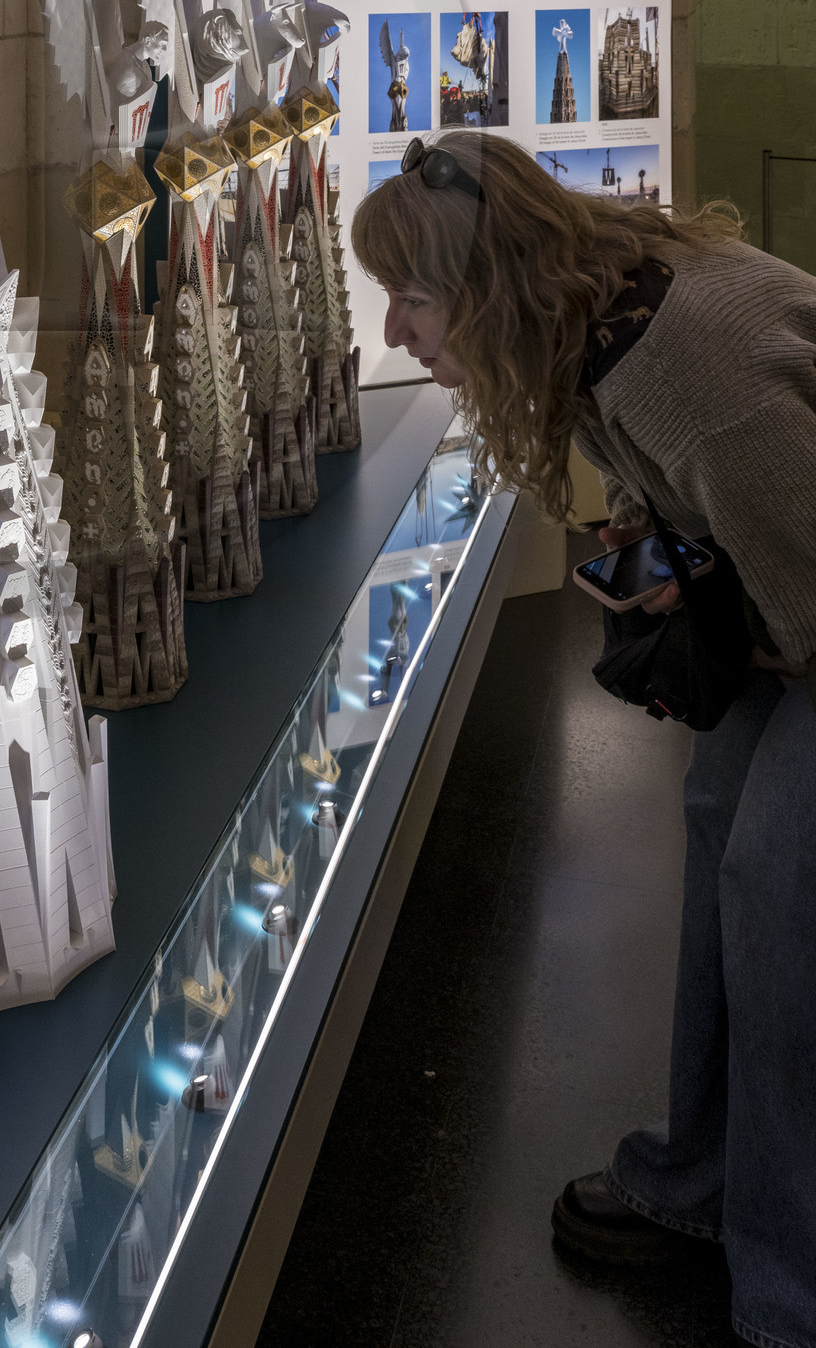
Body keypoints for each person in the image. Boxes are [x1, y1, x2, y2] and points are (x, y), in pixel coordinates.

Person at [352, 132, 816, 1348]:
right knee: (722, 818)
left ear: (487, 282)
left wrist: (716, 611)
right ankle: (706, 1183)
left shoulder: (682, 376)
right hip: (795, 592)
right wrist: (676, 572)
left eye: (410, 299)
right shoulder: (601, 322)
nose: (395, 333)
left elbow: (813, 608)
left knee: (780, 884)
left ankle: (791, 1290)